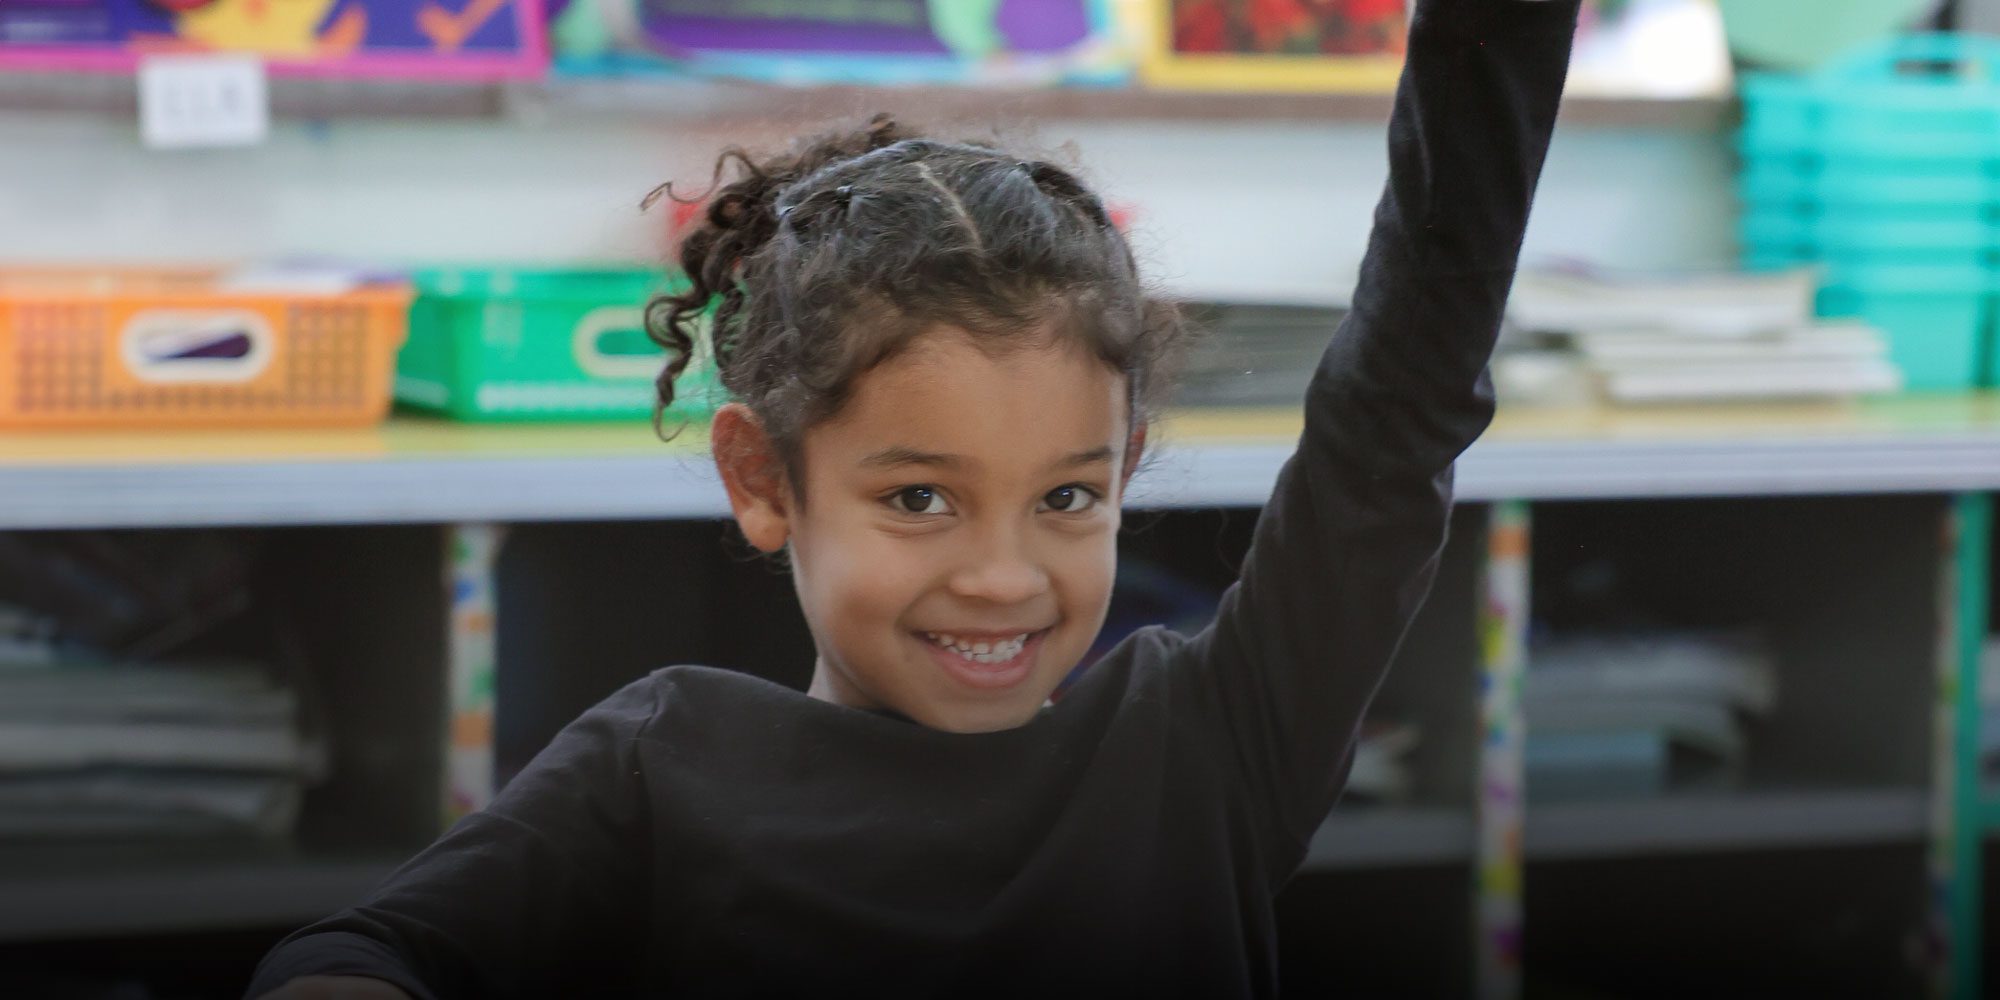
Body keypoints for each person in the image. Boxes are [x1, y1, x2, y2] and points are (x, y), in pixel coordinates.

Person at [250, 1, 1578, 995]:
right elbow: (357, 959)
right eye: (923, 502)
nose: (1004, 575)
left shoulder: (1209, 742)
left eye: (1065, 496)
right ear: (765, 481)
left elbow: (1396, 412)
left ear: (1124, 472)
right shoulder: (660, 769)